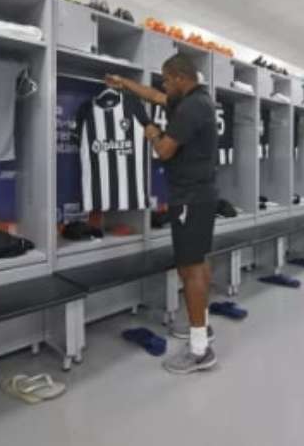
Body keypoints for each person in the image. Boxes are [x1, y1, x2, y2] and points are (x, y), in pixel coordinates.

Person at [106, 54, 218, 374]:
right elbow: (156, 97)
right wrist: (124, 83)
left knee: (191, 268)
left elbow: (165, 150)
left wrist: (150, 128)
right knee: (196, 264)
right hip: (198, 196)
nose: (164, 86)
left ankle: (200, 351)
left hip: (191, 199)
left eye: (167, 80)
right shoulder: (194, 99)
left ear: (181, 77)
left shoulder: (193, 108)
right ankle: (202, 327)